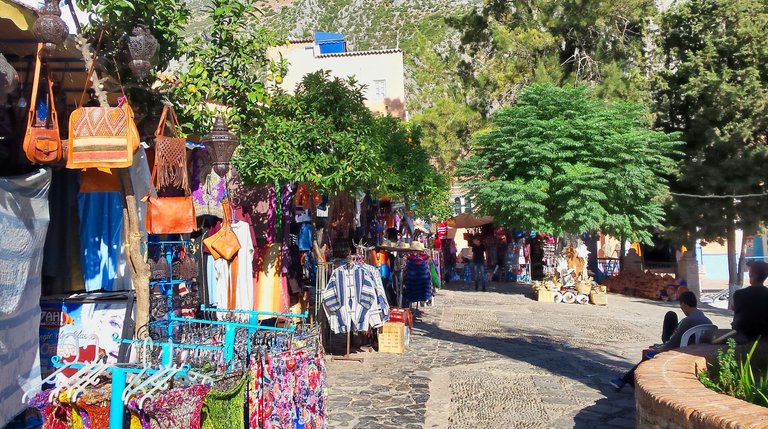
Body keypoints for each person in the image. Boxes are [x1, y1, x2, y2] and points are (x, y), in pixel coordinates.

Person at [610, 291, 712, 391]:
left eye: (681, 306)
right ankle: (626, 380)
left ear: (684, 304)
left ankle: (624, 380)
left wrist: (659, 349)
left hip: (681, 350)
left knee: (650, 354)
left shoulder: (688, 321)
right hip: (695, 350)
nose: (681, 309)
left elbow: (673, 342)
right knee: (671, 316)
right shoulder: (707, 321)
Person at [731, 261, 768, 342]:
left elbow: (738, 317)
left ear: (751, 274)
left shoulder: (740, 294)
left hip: (744, 336)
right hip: (765, 335)